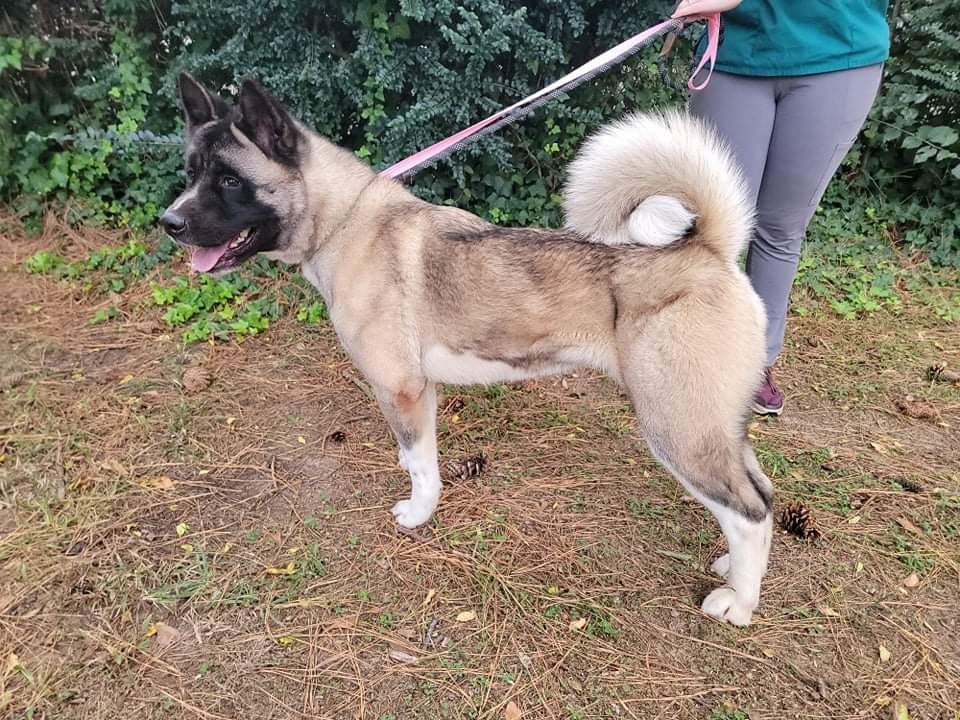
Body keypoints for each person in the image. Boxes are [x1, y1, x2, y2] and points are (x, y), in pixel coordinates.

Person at [671, 0, 890, 415]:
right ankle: (691, 354)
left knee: (780, 229)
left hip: (838, 52)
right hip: (738, 54)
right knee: (713, 226)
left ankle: (754, 362)